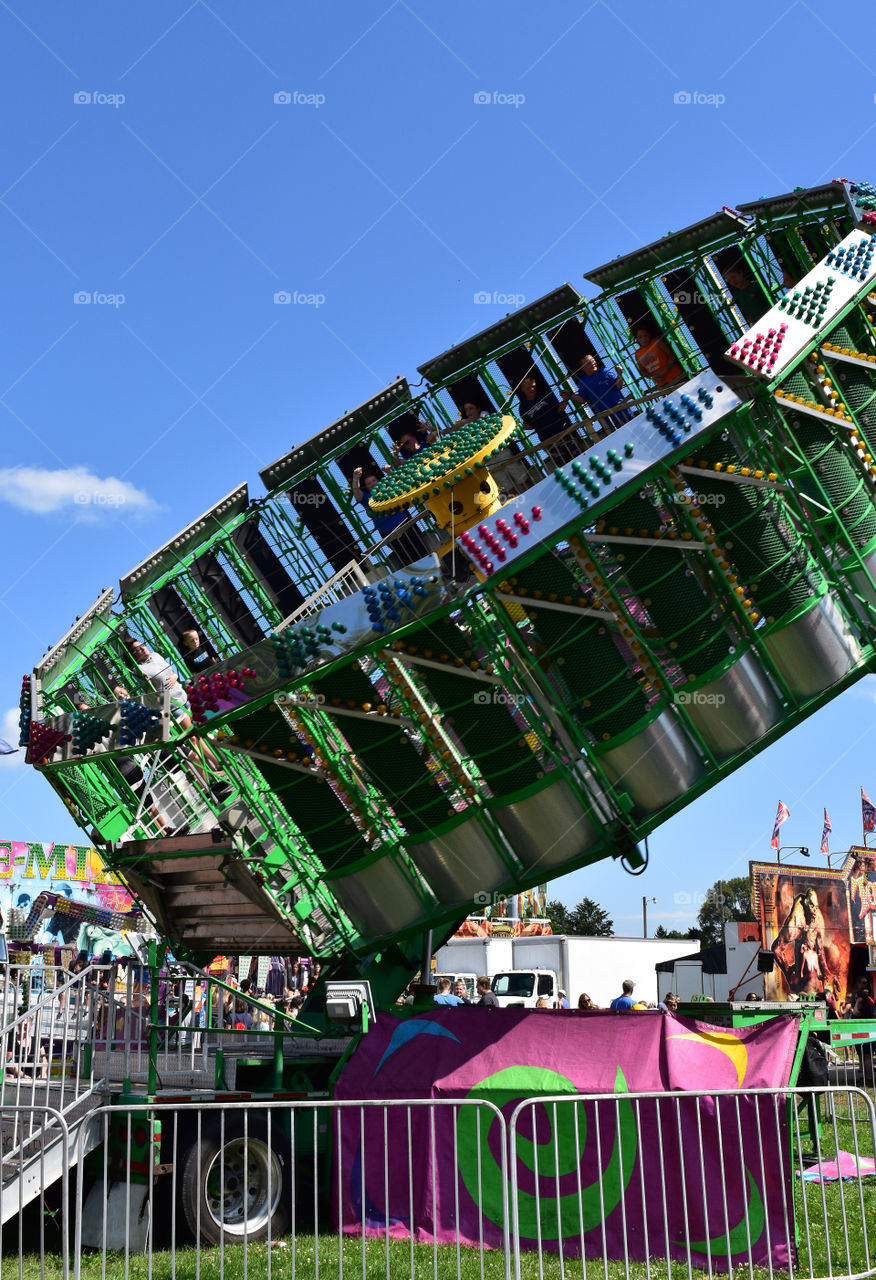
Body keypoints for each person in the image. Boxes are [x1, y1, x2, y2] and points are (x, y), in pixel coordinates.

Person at [351, 466, 426, 569]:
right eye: (369, 483)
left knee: (421, 551)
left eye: (374, 480)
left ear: (378, 481)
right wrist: (356, 478)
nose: (373, 484)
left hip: (406, 525)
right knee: (406, 559)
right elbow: (357, 493)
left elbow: (401, 483)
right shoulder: (367, 498)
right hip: (389, 534)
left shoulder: (389, 489)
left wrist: (389, 472)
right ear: (367, 487)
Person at [560, 353, 630, 432]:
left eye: (593, 360)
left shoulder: (605, 371)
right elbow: (582, 400)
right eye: (589, 363)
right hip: (607, 420)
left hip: (623, 411)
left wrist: (619, 374)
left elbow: (618, 387)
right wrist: (570, 395)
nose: (593, 363)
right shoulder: (583, 382)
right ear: (583, 368)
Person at [516, 373, 577, 462]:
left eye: (533, 386)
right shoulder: (522, 407)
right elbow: (531, 425)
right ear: (522, 390)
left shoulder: (545, 394)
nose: (532, 389)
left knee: (578, 455)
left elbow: (559, 411)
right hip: (548, 441)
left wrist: (565, 400)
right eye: (528, 388)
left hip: (564, 433)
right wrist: (520, 426)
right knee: (562, 463)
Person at [632, 322, 684, 388]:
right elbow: (643, 371)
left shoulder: (657, 342)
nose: (643, 339)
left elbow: (672, 356)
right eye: (640, 337)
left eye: (645, 335)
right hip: (663, 385)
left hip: (677, 377)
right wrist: (652, 376)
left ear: (649, 335)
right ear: (637, 339)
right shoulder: (637, 354)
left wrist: (665, 371)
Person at [722, 261, 768, 325]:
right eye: (729, 281)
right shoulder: (736, 296)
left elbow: (770, 304)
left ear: (741, 273)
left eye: (733, 277)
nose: (732, 281)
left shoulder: (756, 285)